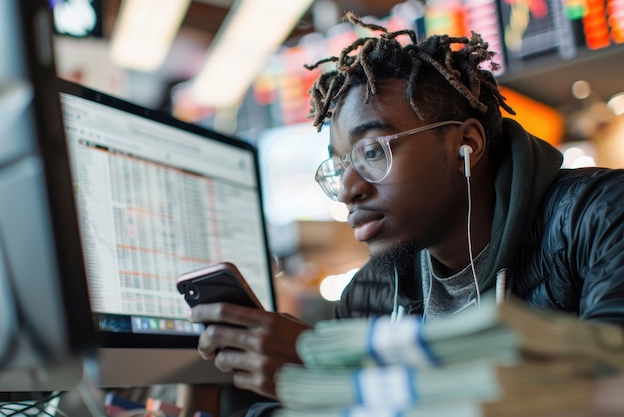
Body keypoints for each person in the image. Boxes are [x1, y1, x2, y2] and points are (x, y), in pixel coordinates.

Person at [187, 11, 624, 416]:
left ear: (465, 146)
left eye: (373, 151)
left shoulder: (601, 216)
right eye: (341, 168)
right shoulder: (375, 289)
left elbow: (610, 391)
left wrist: (343, 372)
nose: (350, 191)